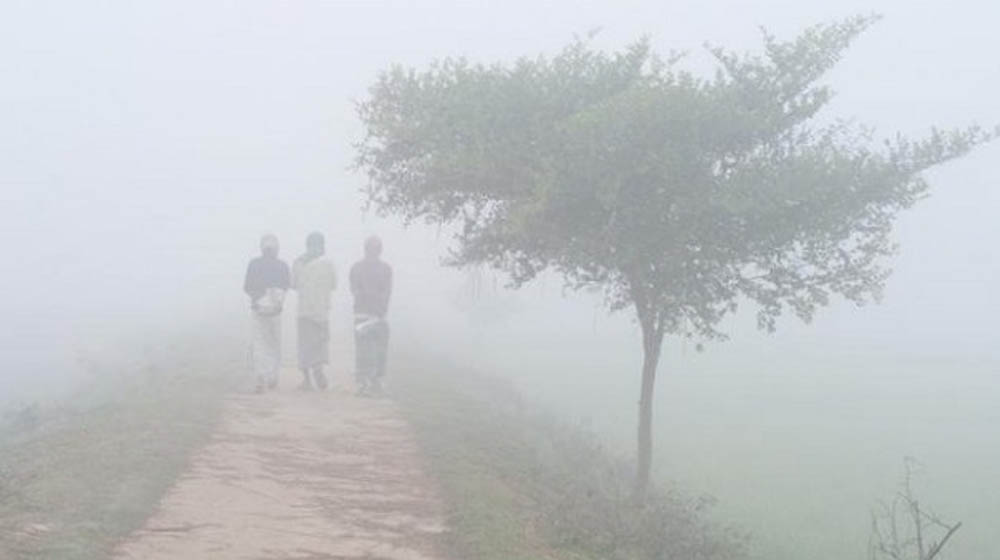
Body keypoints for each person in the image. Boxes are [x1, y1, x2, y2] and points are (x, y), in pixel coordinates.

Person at [243, 234, 290, 393]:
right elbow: (285, 287)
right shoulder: (282, 266)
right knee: (274, 343)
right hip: (275, 311)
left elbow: (247, 287)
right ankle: (272, 376)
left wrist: (258, 298)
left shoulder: (254, 264)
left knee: (259, 343)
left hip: (258, 310)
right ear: (276, 249)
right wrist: (276, 300)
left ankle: (260, 377)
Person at [292, 232, 337, 390]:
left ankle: (307, 380)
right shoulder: (328, 264)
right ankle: (318, 368)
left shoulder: (298, 263)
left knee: (305, 346)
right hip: (322, 310)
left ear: (307, 245)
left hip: (304, 310)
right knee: (320, 343)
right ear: (322, 245)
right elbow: (333, 284)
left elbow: (294, 285)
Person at [350, 235, 392, 396]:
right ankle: (368, 382)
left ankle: (371, 382)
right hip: (368, 314)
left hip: (371, 314)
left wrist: (371, 298)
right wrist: (378, 302)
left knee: (373, 350)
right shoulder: (381, 269)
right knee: (368, 350)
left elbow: (356, 290)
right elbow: (356, 291)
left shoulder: (358, 268)